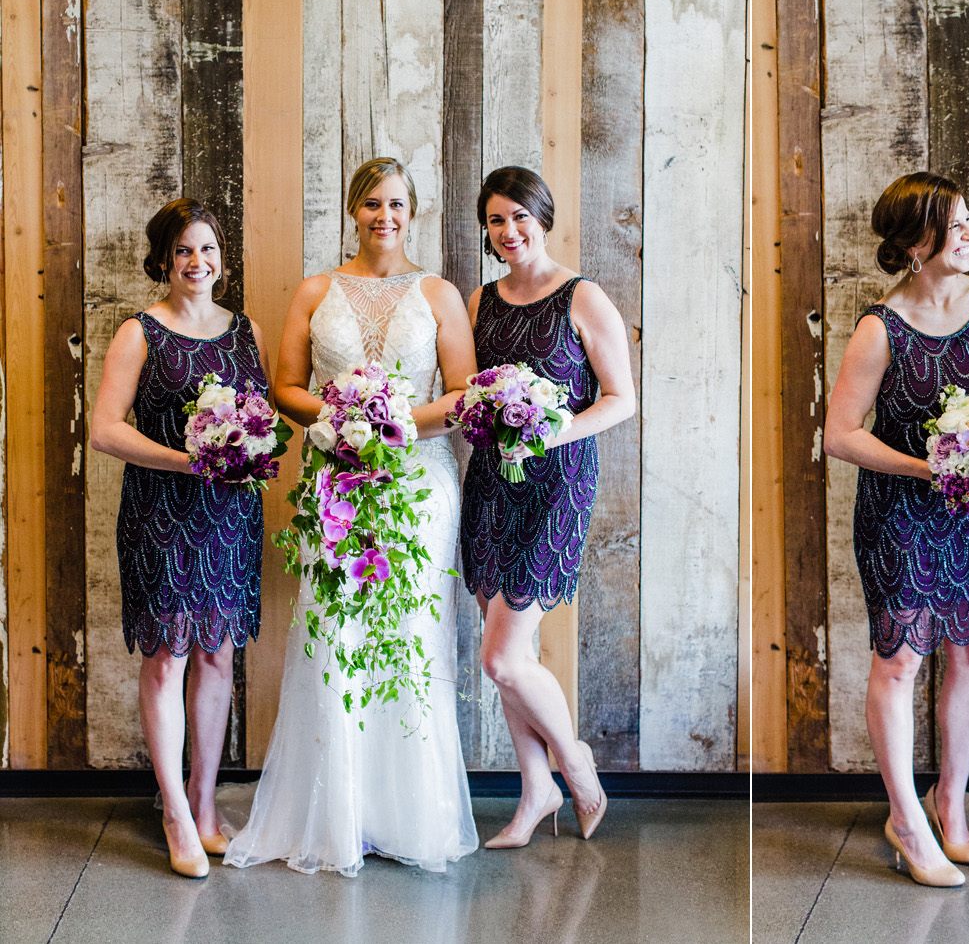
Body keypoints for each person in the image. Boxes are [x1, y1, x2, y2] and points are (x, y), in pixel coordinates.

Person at [225, 157, 479, 875]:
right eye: (371, 204)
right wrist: (346, 420)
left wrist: (390, 421)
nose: (384, 217)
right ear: (352, 210)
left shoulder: (439, 293)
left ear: (413, 211)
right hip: (335, 480)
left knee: (410, 634)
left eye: (396, 204)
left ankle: (408, 816)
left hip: (419, 486)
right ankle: (337, 815)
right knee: (335, 633)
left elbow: (461, 394)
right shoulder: (316, 290)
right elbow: (286, 388)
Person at [825, 171, 969, 888]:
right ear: (918, 242)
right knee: (901, 661)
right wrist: (930, 466)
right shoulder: (879, 329)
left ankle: (951, 802)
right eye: (958, 224)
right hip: (902, 513)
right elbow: (841, 435)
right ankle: (906, 820)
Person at [91, 199, 270, 878]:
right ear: (165, 260)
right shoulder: (141, 332)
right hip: (162, 513)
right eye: (184, 251)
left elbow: (260, 414)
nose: (198, 263)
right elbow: (107, 428)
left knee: (219, 658)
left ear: (222, 258)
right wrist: (187, 459)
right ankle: (171, 812)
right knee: (167, 658)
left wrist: (246, 447)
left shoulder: (244, 329)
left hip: (229, 517)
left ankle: (204, 805)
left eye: (209, 250)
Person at [459, 167, 634, 847]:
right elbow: (469, 390)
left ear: (544, 218)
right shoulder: (481, 301)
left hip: (558, 481)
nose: (509, 232)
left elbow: (621, 397)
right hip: (493, 484)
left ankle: (578, 768)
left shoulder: (582, 297)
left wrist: (550, 426)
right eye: (497, 221)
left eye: (520, 218)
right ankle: (536, 793)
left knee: (501, 658)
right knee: (516, 651)